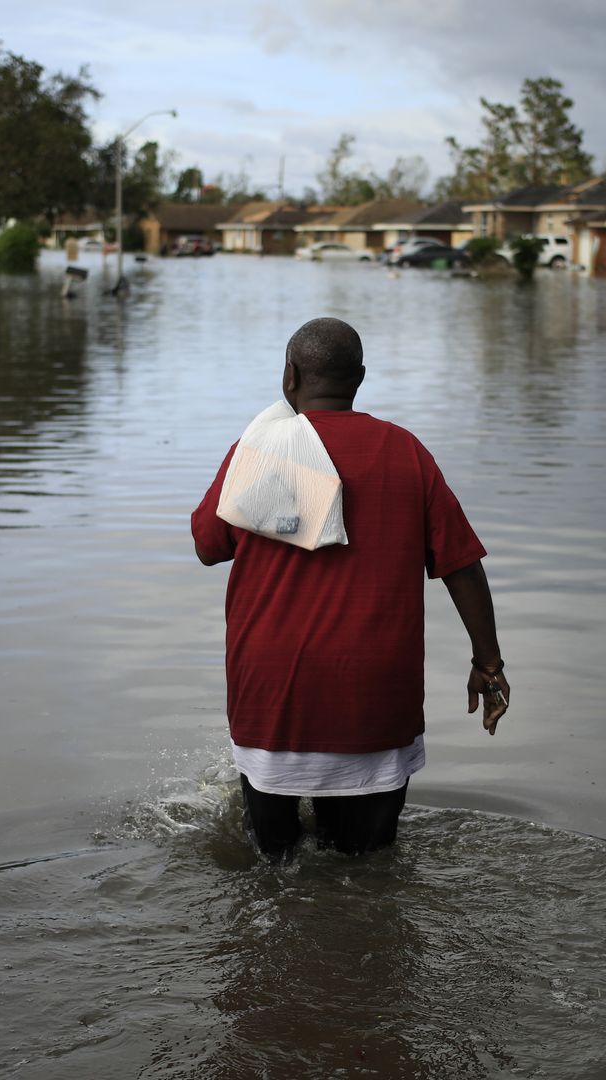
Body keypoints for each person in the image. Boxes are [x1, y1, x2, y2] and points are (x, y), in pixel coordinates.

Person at [191, 317, 509, 859]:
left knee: (272, 868)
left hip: (273, 695)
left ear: (289, 376)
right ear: (359, 378)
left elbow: (208, 545)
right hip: (374, 698)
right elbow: (462, 565)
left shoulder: (262, 451)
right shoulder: (405, 451)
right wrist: (489, 662)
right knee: (367, 868)